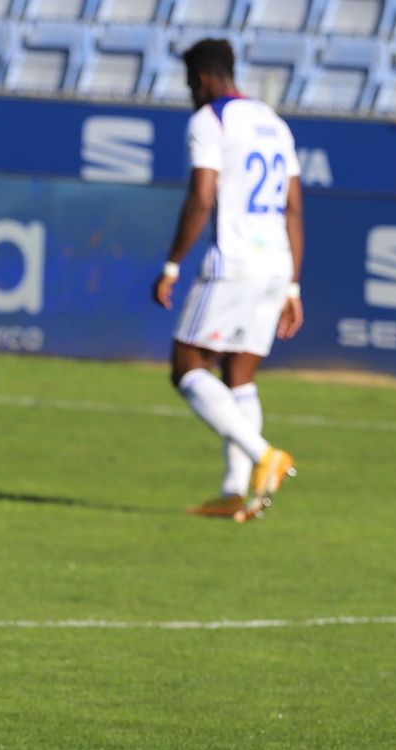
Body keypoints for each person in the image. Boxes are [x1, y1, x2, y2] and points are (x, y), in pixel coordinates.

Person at [153, 37, 301, 522]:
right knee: (239, 373)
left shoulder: (210, 120)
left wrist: (173, 262)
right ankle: (238, 491)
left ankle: (263, 456)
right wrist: (293, 284)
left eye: (189, 83)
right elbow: (293, 206)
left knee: (187, 363)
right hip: (276, 263)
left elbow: (202, 196)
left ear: (200, 79)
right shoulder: (275, 124)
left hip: (234, 262)